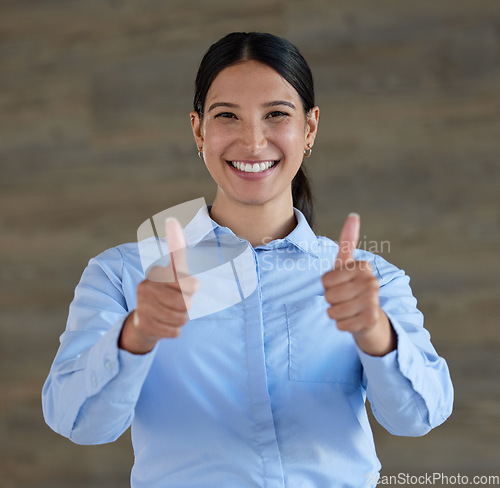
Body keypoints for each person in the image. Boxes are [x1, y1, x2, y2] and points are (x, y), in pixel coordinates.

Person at [42, 32, 453, 487]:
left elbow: (418, 417)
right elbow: (78, 423)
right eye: (227, 116)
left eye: (276, 114)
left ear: (310, 128)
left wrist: (376, 334)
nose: (253, 142)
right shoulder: (122, 275)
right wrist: (134, 336)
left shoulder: (371, 280)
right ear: (198, 129)